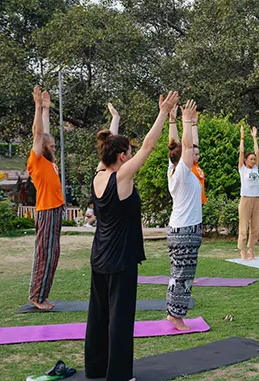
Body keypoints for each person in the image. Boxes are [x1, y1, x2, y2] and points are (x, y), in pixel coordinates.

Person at [84, 92, 178, 381]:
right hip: (120, 258)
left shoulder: (99, 174)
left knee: (98, 316)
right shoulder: (122, 177)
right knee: (120, 319)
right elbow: (149, 145)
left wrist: (115, 120)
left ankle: (96, 368)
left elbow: (108, 147)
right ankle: (119, 375)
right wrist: (162, 112)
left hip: (99, 256)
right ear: (123, 156)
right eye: (128, 152)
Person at [27, 86, 65, 311]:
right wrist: (37, 107)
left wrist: (46, 110)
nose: (52, 148)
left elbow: (46, 132)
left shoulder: (48, 161)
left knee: (53, 254)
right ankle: (37, 297)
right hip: (47, 210)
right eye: (49, 146)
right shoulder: (36, 160)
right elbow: (39, 134)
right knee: (45, 254)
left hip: (55, 209)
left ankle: (42, 295)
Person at [166, 99, 202, 330]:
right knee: (182, 275)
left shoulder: (175, 169)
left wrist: (185, 122)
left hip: (185, 229)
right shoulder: (180, 172)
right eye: (192, 153)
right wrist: (186, 120)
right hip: (184, 231)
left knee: (179, 274)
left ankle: (173, 313)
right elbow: (186, 147)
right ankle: (175, 316)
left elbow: (178, 144)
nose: (197, 153)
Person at [238, 125, 259, 261]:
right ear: (246, 161)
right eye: (250, 159)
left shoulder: (256, 169)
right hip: (246, 199)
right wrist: (242, 137)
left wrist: (254, 138)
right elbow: (241, 153)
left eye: (254, 159)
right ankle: (242, 250)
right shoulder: (243, 169)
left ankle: (251, 248)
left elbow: (257, 152)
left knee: (255, 227)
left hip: (256, 199)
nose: (253, 160)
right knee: (243, 226)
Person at [189, 111, 207, 205]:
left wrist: (194, 124)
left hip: (199, 202)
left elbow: (195, 143)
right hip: (192, 203)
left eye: (198, 154)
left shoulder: (196, 165)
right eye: (195, 155)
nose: (198, 156)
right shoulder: (187, 167)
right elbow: (189, 144)